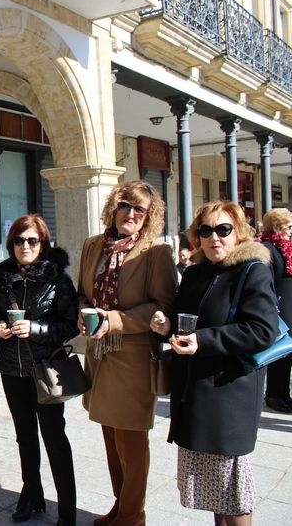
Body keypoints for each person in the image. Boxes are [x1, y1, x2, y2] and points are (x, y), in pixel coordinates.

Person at [150, 200, 280, 525]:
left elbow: (263, 330)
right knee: (212, 491)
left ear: (239, 233)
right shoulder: (194, 273)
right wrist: (165, 325)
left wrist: (203, 341)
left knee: (233, 494)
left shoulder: (251, 271)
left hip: (228, 396)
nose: (214, 238)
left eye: (224, 229)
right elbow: (183, 320)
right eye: (206, 231)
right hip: (195, 394)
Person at [76, 180, 177, 526]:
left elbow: (162, 308)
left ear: (149, 216)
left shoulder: (156, 252)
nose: (130, 214)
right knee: (109, 436)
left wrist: (114, 320)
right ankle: (121, 505)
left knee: (131, 441)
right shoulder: (93, 246)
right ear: (113, 208)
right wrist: (83, 312)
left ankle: (134, 514)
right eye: (124, 206)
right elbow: (82, 294)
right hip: (98, 355)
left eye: (138, 209)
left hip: (132, 356)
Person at [0, 214, 79, 524]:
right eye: (18, 240)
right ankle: (31, 494)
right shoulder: (2, 276)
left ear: (43, 244)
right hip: (12, 368)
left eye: (32, 241)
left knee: (54, 438)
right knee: (25, 436)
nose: (25, 246)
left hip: (45, 370)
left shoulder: (58, 279)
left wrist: (35, 329)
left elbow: (69, 325)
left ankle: (67, 510)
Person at [259, 208, 292, 413]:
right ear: (277, 226)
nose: (291, 230)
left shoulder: (289, 248)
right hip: (280, 309)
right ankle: (273, 395)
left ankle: (283, 393)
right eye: (288, 226)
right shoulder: (268, 248)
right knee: (278, 354)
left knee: (288, 354)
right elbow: (265, 281)